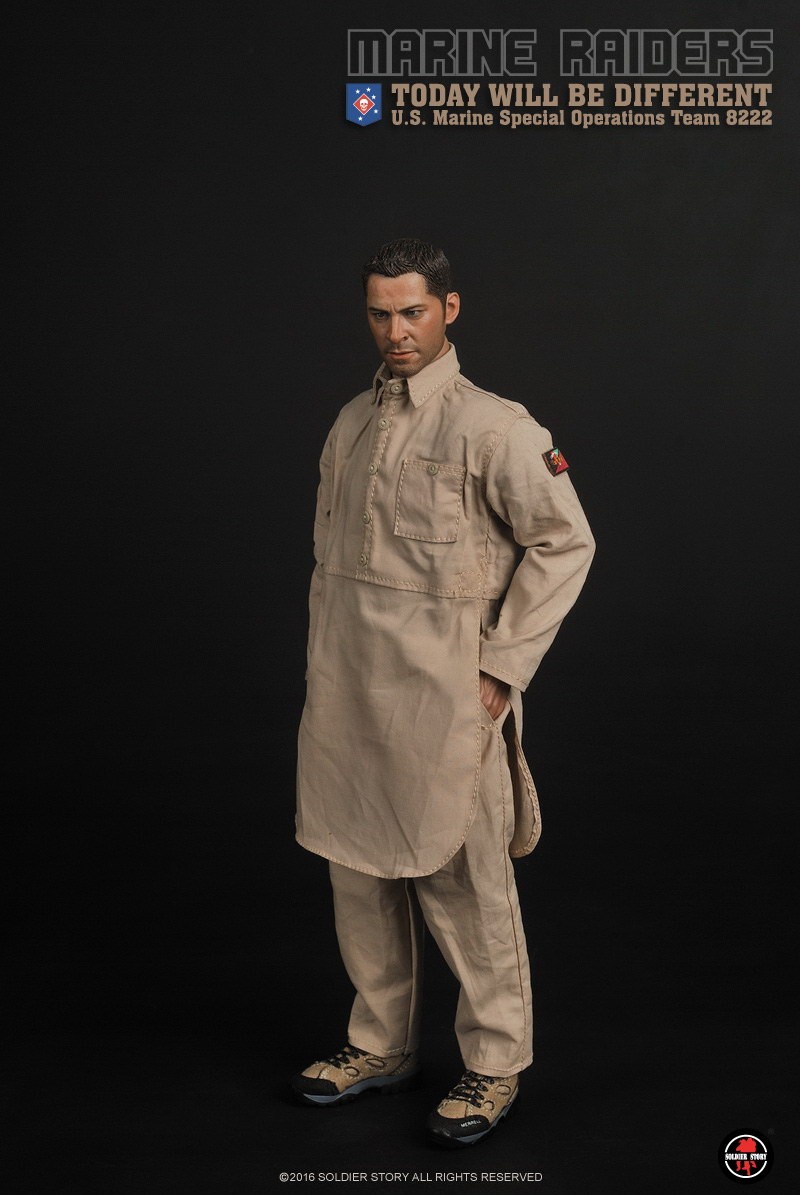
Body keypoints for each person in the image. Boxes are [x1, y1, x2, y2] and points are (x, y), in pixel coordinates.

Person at [291, 238, 595, 1147]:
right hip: (347, 690)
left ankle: (495, 1061)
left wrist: (502, 665)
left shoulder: (495, 428)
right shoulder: (350, 421)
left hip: (446, 694)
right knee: (358, 871)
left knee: (466, 881)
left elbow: (565, 543)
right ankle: (379, 1043)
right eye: (381, 313)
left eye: (413, 311)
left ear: (449, 309)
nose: (397, 331)